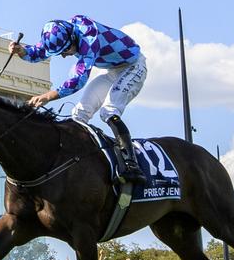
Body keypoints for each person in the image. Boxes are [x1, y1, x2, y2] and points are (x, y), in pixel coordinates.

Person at [9, 15, 147, 185]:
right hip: (114, 70)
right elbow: (39, 52)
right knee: (78, 114)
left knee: (108, 111)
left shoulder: (89, 36)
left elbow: (78, 80)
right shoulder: (65, 32)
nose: (65, 56)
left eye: (65, 52)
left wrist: (47, 96)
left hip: (134, 67)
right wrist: (21, 51)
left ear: (73, 39)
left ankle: (131, 165)